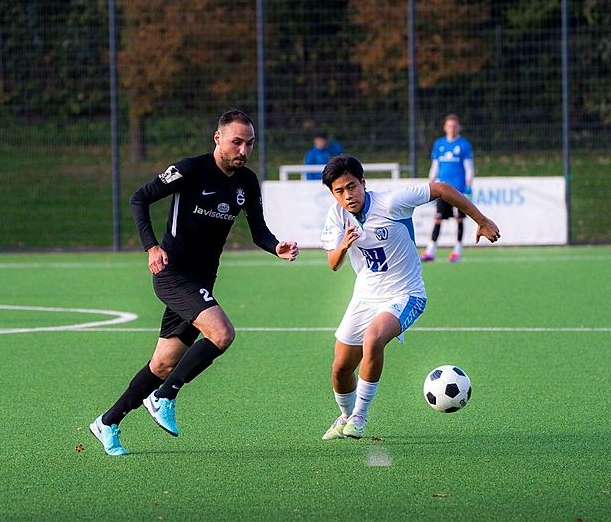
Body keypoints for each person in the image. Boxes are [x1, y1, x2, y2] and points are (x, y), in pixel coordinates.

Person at [90, 110, 299, 456]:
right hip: (173, 274)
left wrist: (275, 247)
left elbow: (258, 230)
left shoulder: (246, 182)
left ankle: (107, 422)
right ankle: (164, 396)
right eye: (236, 142)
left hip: (202, 280)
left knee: (162, 364)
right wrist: (151, 246)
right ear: (217, 138)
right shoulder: (190, 169)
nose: (243, 150)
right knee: (222, 334)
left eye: (249, 144)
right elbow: (139, 198)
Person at [319, 155, 499, 440]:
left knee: (373, 338)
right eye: (339, 191)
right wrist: (343, 245)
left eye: (352, 187)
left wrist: (481, 219)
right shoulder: (336, 215)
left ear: (363, 183)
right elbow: (333, 263)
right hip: (364, 297)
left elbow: (440, 188)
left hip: (406, 294)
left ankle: (360, 417)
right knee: (341, 368)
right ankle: (344, 416)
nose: (348, 195)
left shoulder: (392, 203)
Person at [421, 113, 474, 263]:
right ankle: (430, 251)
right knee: (438, 219)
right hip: (442, 190)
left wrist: (469, 186)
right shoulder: (439, 144)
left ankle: (457, 251)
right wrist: (430, 183)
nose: (452, 129)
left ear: (459, 128)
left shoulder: (464, 145)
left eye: (455, 126)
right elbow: (435, 166)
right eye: (449, 126)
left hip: (459, 190)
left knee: (459, 219)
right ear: (445, 127)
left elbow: (469, 168)